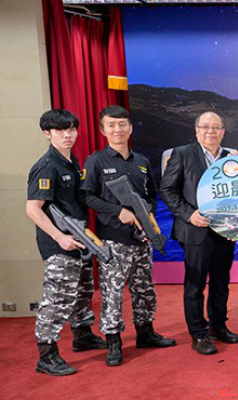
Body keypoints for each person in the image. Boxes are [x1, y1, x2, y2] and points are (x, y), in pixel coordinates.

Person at [81, 105, 176, 366]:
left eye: (122, 124)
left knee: (144, 289)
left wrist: (148, 218)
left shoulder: (141, 162)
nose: (118, 129)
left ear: (130, 128)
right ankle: (113, 342)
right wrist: (118, 211)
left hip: (142, 239)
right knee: (112, 294)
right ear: (103, 130)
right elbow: (87, 196)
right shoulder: (96, 161)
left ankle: (145, 333)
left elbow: (152, 195)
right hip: (114, 239)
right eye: (111, 125)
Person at [26, 109, 106, 375]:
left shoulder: (71, 161)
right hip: (59, 244)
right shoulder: (47, 166)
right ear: (47, 134)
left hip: (79, 239)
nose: (67, 135)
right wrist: (59, 237)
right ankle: (47, 356)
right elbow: (33, 208)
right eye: (60, 130)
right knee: (57, 298)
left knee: (82, 291)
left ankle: (82, 336)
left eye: (71, 129)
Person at [160, 111, 238, 355]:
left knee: (221, 283)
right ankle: (198, 333)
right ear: (196, 131)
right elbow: (167, 190)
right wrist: (189, 214)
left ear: (223, 132)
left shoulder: (232, 158)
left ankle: (218, 326)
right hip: (196, 230)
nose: (210, 131)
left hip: (225, 232)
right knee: (195, 286)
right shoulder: (182, 154)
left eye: (216, 127)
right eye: (205, 126)